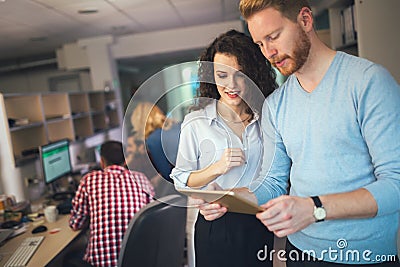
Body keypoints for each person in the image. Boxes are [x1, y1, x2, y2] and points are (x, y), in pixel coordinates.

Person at [199, 0, 400, 266]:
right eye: (260, 44)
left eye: (274, 37)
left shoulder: (368, 82)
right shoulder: (275, 105)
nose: (268, 52)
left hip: (365, 256)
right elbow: (273, 183)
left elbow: (395, 183)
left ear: (305, 20)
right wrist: (228, 198)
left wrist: (315, 208)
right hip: (300, 253)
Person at [170, 29, 278, 267]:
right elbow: (180, 179)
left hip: (259, 221)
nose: (232, 85)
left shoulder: (267, 118)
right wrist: (216, 168)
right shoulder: (196, 123)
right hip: (216, 223)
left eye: (240, 75)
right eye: (222, 75)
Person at [69, 140, 155, 267]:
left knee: (69, 258)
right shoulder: (140, 178)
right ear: (125, 161)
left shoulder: (89, 180)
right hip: (141, 259)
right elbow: (151, 217)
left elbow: (76, 223)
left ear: (102, 162)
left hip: (102, 263)